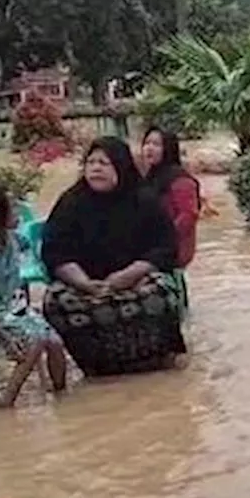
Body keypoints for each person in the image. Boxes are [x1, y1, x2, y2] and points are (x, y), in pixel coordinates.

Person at [41, 136, 186, 377]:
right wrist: (84, 283)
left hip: (136, 280)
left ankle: (157, 360)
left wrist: (131, 274)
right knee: (55, 301)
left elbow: (166, 246)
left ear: (121, 166)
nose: (96, 168)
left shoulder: (144, 200)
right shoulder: (71, 203)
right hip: (86, 284)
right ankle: (95, 366)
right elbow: (54, 250)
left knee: (161, 293)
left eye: (104, 163)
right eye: (91, 162)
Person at [0, 183, 68, 408]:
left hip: (15, 310)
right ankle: (7, 398)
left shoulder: (14, 241)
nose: (18, 213)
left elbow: (29, 272)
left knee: (56, 343)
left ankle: (60, 393)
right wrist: (3, 335)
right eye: (12, 209)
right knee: (34, 342)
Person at [140, 126, 202, 312]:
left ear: (169, 148)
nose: (149, 148)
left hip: (171, 251)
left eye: (156, 144)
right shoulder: (150, 177)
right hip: (152, 248)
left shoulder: (181, 180)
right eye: (147, 143)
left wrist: (165, 240)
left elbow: (189, 215)